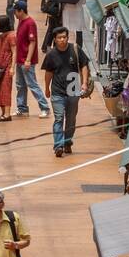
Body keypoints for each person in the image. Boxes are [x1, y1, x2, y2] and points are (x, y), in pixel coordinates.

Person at [42, 25, 90, 158]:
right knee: (58, 118)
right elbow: (48, 72)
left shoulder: (75, 49)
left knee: (70, 120)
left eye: (64, 37)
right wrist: (47, 88)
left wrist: (84, 83)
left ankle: (67, 141)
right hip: (57, 91)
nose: (62, 39)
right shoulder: (51, 54)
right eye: (59, 37)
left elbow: (84, 65)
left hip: (73, 90)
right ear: (55, 39)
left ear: (67, 37)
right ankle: (58, 146)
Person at [12, 0, 50, 118]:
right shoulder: (21, 21)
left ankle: (44, 107)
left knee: (32, 84)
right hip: (19, 59)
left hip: (26, 60)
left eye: (16, 11)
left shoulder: (30, 23)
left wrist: (28, 59)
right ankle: (22, 108)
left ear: (21, 11)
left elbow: (32, 42)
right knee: (20, 85)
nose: (14, 13)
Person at [0, 13, 17, 121]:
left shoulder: (11, 36)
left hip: (7, 67)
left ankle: (7, 114)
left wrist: (12, 67)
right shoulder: (1, 36)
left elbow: (14, 52)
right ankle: (3, 112)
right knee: (0, 89)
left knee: (6, 89)